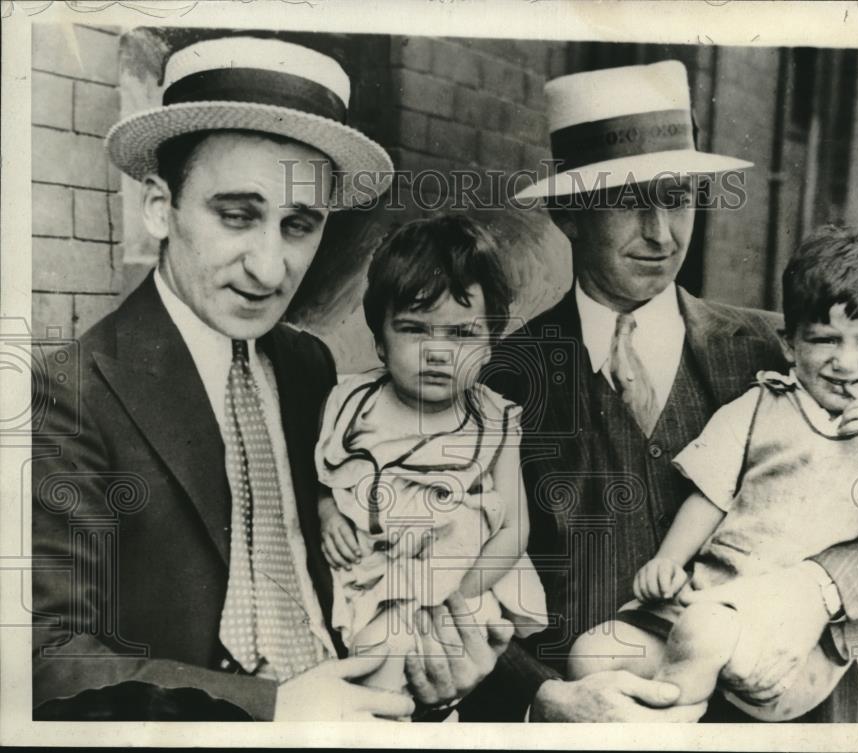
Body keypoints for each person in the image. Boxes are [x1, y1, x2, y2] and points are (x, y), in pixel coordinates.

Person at [31, 36, 511, 722]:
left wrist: (433, 682)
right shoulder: (71, 393)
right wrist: (273, 709)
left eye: (299, 225)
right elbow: (45, 661)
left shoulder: (307, 365)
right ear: (159, 206)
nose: (269, 266)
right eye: (238, 215)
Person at [462, 60, 858, 722]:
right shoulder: (504, 381)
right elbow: (448, 575)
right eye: (630, 203)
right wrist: (546, 694)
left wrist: (820, 590)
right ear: (568, 212)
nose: (663, 234)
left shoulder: (787, 351)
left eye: (679, 197)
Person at [566, 224, 858, 721]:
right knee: (592, 652)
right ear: (789, 345)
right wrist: (668, 560)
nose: (844, 362)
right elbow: (711, 495)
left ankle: (670, 727)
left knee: (704, 635)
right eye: (824, 339)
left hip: (787, 648)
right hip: (701, 601)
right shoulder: (760, 405)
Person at [315, 215, 547, 699]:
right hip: (376, 578)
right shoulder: (353, 403)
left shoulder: (494, 421)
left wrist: (460, 591)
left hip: (460, 577)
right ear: (380, 340)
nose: (438, 352)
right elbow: (327, 470)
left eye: (461, 334)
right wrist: (327, 511)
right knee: (374, 672)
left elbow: (514, 527)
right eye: (416, 330)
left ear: (490, 344)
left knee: (444, 664)